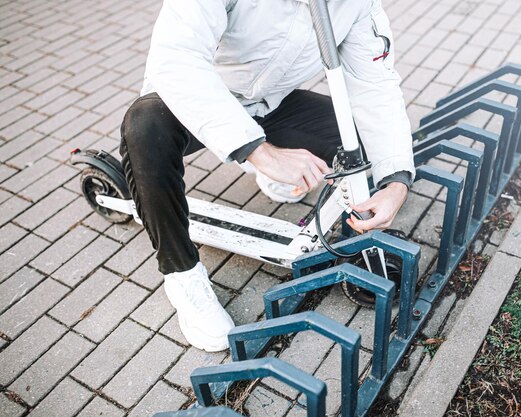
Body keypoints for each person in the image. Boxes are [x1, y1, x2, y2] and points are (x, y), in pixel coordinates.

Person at [120, 0, 416, 352]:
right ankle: (182, 275)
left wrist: (397, 180)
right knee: (143, 127)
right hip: (193, 100)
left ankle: (335, 220)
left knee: (362, 140)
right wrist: (260, 152)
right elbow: (176, 60)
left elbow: (375, 85)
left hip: (271, 103)